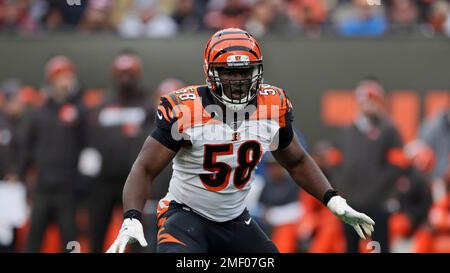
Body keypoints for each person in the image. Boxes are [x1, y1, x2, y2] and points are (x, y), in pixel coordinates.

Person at [107, 28, 374, 253]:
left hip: (235, 219)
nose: (237, 80)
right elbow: (144, 168)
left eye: (245, 71)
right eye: (228, 72)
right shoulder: (185, 111)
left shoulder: (272, 106)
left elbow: (297, 161)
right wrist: (132, 217)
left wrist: (333, 200)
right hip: (184, 217)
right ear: (211, 73)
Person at [83, 50, 155, 252]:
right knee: (96, 236)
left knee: (136, 239)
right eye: (122, 73)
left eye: (129, 73)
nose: (125, 78)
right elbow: (90, 138)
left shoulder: (147, 106)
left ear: (137, 74)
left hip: (133, 182)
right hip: (102, 183)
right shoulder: (103, 105)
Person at [332, 77, 405, 253]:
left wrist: (376, 189)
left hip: (378, 204)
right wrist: (343, 190)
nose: (369, 104)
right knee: (350, 247)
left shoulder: (389, 130)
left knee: (379, 247)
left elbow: (398, 165)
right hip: (350, 204)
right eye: (365, 99)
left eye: (373, 99)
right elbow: (335, 164)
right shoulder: (346, 131)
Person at [22, 56, 83, 252]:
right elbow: (27, 146)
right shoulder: (39, 113)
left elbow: (87, 145)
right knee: (34, 239)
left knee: (70, 241)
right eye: (62, 77)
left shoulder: (79, 110)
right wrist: (21, 173)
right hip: (43, 187)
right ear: (52, 80)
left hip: (67, 188)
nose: (67, 81)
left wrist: (84, 178)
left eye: (69, 76)